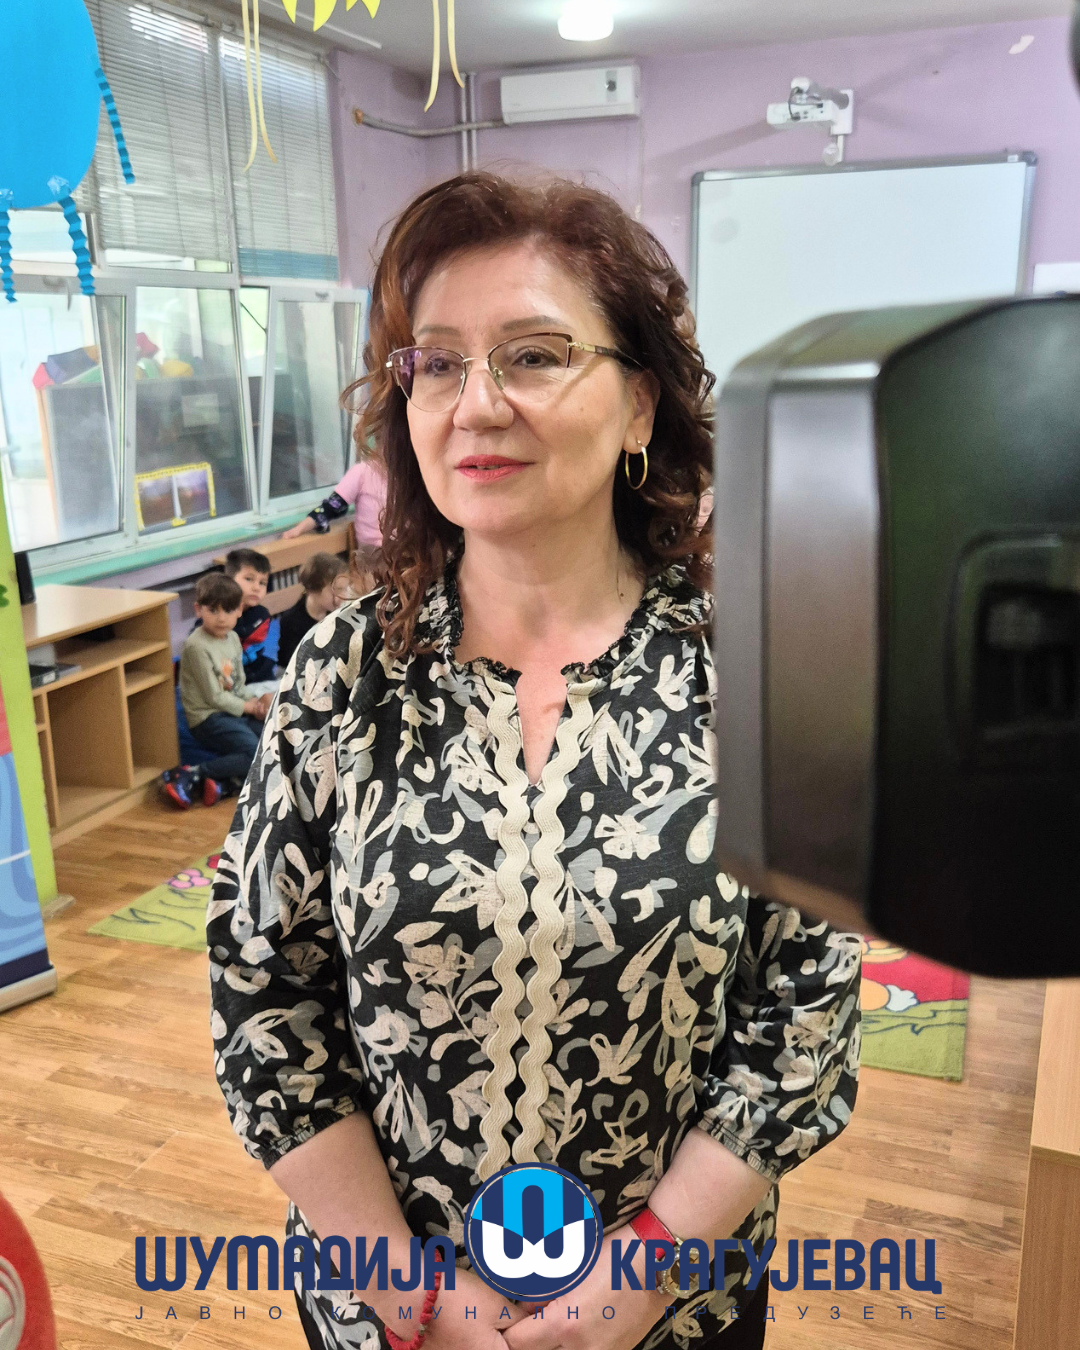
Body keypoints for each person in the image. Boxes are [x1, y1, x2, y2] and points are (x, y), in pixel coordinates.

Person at [207, 172, 862, 1350]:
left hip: (670, 1311)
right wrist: (413, 1295)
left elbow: (803, 1012)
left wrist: (638, 1281)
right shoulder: (341, 676)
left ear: (642, 405)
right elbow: (264, 998)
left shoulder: (758, 671)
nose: (477, 404)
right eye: (437, 363)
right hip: (393, 1314)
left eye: (535, 356)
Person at [162, 573, 270, 808]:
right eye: (213, 610)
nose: (221, 618)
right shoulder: (196, 646)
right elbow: (214, 697)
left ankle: (227, 783)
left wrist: (255, 703)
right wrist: (248, 707)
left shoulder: (232, 638)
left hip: (230, 710)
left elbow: (237, 684)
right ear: (198, 610)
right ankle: (192, 773)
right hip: (207, 717)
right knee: (252, 751)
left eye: (228, 610)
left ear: (239, 610)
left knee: (271, 738)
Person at [281, 457, 387, 558]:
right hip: (374, 555)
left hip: (396, 553)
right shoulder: (362, 472)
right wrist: (299, 528)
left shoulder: (398, 475)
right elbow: (331, 506)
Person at [276, 552, 350, 671]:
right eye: (335, 591)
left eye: (343, 589)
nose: (341, 597)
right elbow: (293, 665)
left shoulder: (338, 611)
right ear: (312, 590)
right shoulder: (292, 621)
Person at [222, 548, 279, 696]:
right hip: (229, 682)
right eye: (249, 579)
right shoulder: (218, 617)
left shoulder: (262, 615)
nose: (256, 588)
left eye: (262, 583)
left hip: (258, 675)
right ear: (229, 581)